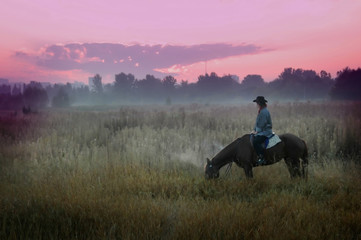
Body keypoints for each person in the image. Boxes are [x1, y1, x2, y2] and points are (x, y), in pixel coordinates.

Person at [251, 96, 273, 165]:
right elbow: (257, 123)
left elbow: (262, 124)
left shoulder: (264, 112)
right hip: (261, 131)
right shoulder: (261, 110)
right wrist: (254, 130)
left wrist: (257, 131)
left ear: (259, 103)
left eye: (257, 103)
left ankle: (262, 157)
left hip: (265, 132)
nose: (256, 104)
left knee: (255, 142)